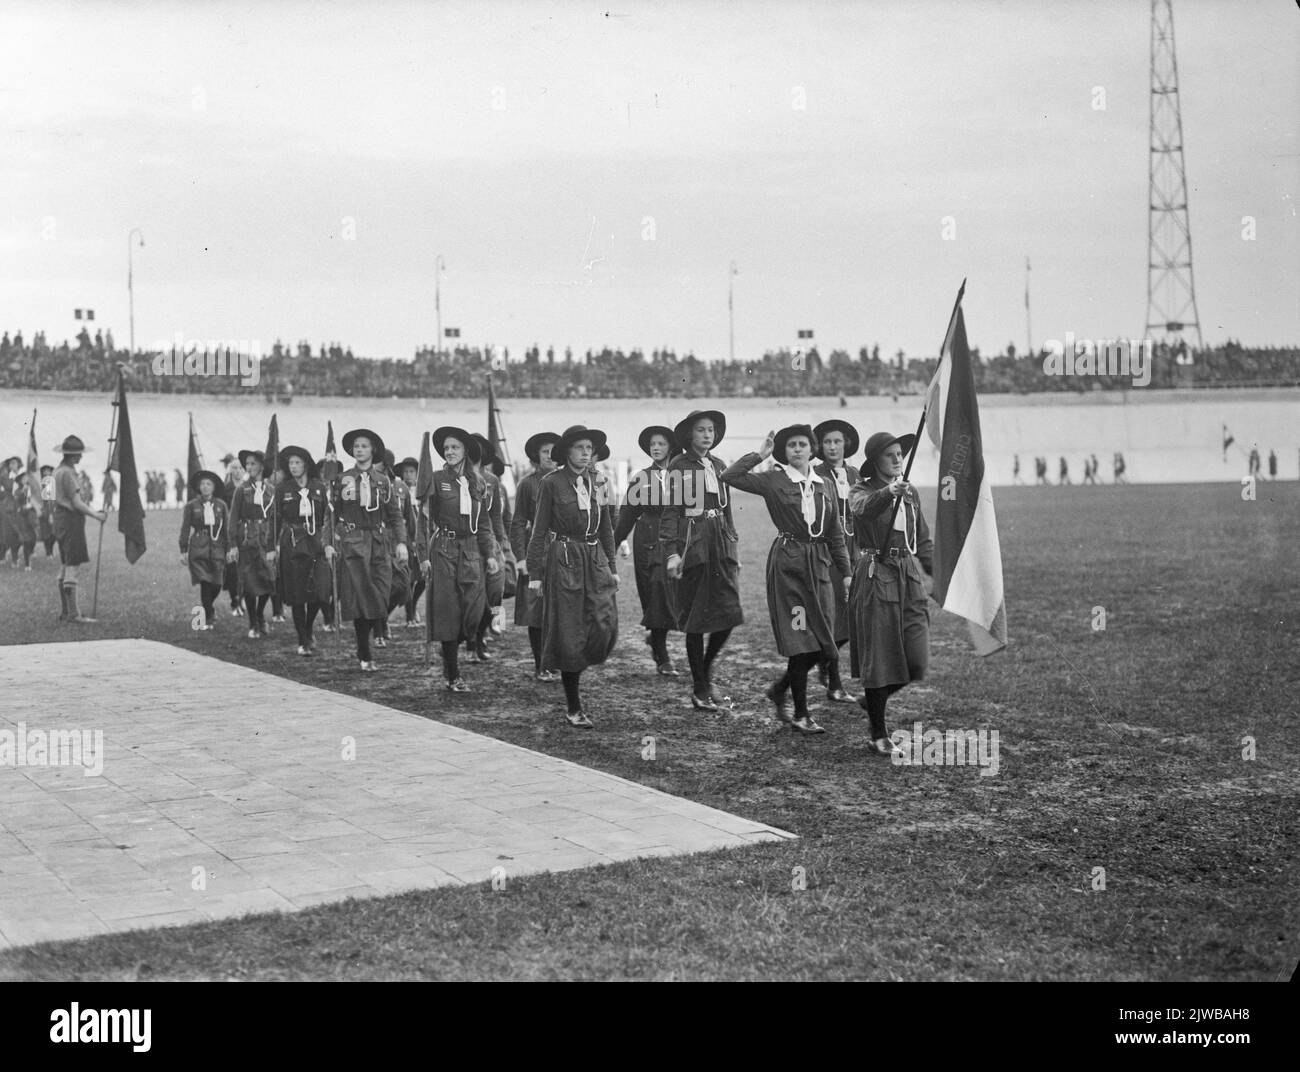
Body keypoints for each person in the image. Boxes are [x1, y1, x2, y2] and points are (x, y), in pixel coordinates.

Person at [723, 426, 850, 733]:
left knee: (824, 641)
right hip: (789, 569)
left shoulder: (825, 484)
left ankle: (780, 689)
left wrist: (845, 573)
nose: (796, 449)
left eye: (802, 444)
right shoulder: (774, 479)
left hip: (819, 568)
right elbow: (730, 477)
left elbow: (834, 533)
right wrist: (760, 454)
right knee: (801, 640)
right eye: (791, 445)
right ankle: (801, 714)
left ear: (812, 448)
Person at [526, 425, 619, 727]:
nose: (585, 454)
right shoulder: (551, 483)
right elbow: (539, 530)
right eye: (579, 448)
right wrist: (535, 573)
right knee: (569, 631)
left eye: (589, 449)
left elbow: (606, 527)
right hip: (563, 559)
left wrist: (613, 568)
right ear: (566, 452)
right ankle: (573, 706)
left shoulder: (600, 482)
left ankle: (580, 666)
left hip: (594, 559)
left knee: (604, 623)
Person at [848, 432, 934, 756]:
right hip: (876, 574)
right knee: (880, 655)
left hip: (907, 574)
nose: (898, 459)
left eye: (900, 454)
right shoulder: (862, 489)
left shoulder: (910, 493)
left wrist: (935, 575)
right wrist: (888, 492)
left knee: (918, 659)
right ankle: (877, 733)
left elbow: (922, 539)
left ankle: (871, 701)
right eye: (890, 455)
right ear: (875, 462)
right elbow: (863, 509)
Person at [662, 409, 744, 711]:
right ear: (689, 434)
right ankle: (698, 686)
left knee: (730, 614)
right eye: (700, 430)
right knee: (696, 621)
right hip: (692, 547)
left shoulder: (720, 465)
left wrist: (732, 546)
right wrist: (672, 553)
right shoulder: (679, 466)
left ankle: (706, 671)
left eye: (711, 429)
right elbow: (672, 512)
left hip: (720, 547)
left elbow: (727, 510)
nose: (707, 435)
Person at [424, 427, 496, 690]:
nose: (450, 452)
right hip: (444, 550)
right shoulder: (435, 479)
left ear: (466, 450)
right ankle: (453, 674)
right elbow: (424, 520)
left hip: (472, 550)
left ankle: (458, 645)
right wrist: (423, 556)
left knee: (474, 610)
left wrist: (490, 554)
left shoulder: (478, 482)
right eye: (446, 448)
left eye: (455, 447)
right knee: (449, 612)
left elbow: (485, 522)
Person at [331, 428, 409, 671]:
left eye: (364, 446)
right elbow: (331, 515)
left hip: (378, 543)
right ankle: (364, 650)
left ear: (373, 450)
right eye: (356, 446)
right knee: (360, 597)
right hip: (353, 544)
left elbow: (395, 516)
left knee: (383, 591)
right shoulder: (342, 479)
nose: (360, 450)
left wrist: (401, 542)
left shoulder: (383, 481)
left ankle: (374, 632)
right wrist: (328, 543)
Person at [613, 425, 682, 675]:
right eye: (653, 444)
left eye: (661, 443)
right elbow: (627, 516)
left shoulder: (683, 475)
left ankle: (656, 639)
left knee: (674, 595)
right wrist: (612, 544)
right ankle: (662, 656)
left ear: (671, 447)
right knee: (656, 595)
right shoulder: (641, 477)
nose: (656, 447)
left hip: (675, 542)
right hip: (649, 543)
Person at [813, 418, 861, 703]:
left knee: (852, 618)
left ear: (846, 445)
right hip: (827, 553)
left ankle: (823, 659)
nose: (832, 447)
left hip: (854, 551)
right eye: (828, 442)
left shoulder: (855, 475)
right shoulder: (816, 474)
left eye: (837, 441)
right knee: (831, 616)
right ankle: (834, 682)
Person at [271, 445, 335, 656]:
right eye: (290, 463)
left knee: (321, 590)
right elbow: (275, 520)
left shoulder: (318, 487)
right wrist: (272, 547)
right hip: (293, 543)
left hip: (316, 542)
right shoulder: (283, 489)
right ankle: (303, 639)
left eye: (297, 462)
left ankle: (308, 628)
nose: (294, 466)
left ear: (306, 464)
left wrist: (330, 542)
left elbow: (328, 516)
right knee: (297, 594)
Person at [510, 431, 561, 681]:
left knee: (561, 610)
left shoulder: (568, 481)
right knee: (537, 611)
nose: (550, 456)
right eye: (544, 451)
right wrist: (521, 558)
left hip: (563, 553)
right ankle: (541, 663)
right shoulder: (527, 484)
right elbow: (518, 523)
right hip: (536, 553)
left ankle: (556, 660)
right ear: (536, 456)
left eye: (554, 450)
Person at [52, 436, 106, 621]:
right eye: (79, 454)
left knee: (65, 564)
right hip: (70, 521)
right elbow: (76, 502)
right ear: (73, 455)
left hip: (59, 520)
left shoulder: (56, 471)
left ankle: (66, 611)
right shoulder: (68, 473)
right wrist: (96, 515)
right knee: (72, 565)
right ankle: (74, 614)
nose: (81, 457)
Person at [228, 449, 278, 639]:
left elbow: (275, 518)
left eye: (253, 464)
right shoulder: (242, 489)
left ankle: (259, 614)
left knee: (270, 579)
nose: (249, 467)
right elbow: (233, 518)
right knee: (249, 582)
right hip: (247, 539)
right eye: (247, 464)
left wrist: (275, 543)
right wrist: (232, 544)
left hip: (266, 539)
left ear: (262, 466)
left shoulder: (272, 490)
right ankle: (253, 622)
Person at [467, 434, 508, 661]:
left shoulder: (492, 481)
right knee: (473, 596)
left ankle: (482, 632)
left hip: (490, 541)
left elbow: (496, 516)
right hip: (468, 544)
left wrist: (500, 543)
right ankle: (471, 640)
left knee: (495, 592)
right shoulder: (459, 479)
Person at [180, 470, 231, 629]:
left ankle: (208, 608)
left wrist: (229, 548)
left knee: (216, 582)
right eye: (202, 484)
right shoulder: (191, 506)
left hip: (217, 546)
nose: (205, 487)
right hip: (198, 546)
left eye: (209, 484)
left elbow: (226, 529)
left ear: (214, 487)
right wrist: (183, 550)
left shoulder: (221, 505)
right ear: (198, 486)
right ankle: (208, 616)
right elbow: (185, 528)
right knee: (204, 581)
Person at [397, 456, 425, 628]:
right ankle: (409, 614)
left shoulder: (422, 492)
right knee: (408, 579)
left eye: (411, 472)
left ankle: (413, 605)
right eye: (405, 472)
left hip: (421, 539)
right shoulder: (399, 492)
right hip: (406, 538)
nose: (408, 475)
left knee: (422, 578)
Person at [11, 466, 39, 569]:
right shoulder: (18, 491)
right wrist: (25, 506)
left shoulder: (31, 490)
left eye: (26, 478)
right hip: (21, 518)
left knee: (33, 538)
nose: (25, 479)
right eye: (23, 478)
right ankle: (27, 564)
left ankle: (29, 554)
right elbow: (17, 506)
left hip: (30, 518)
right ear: (19, 481)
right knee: (26, 540)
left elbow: (36, 500)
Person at [0, 457, 20, 567]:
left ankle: (14, 556)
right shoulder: (5, 477)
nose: (13, 465)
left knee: (19, 534)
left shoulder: (23, 476)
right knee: (9, 533)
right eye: (11, 463)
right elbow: (9, 487)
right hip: (9, 508)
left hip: (20, 508)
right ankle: (12, 558)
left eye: (15, 463)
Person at [38, 464, 56, 557]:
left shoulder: (53, 483)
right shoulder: (41, 484)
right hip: (44, 510)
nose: (46, 473)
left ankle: (50, 550)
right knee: (46, 533)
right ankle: (49, 552)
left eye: (48, 471)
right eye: (44, 471)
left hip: (53, 509)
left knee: (54, 533)